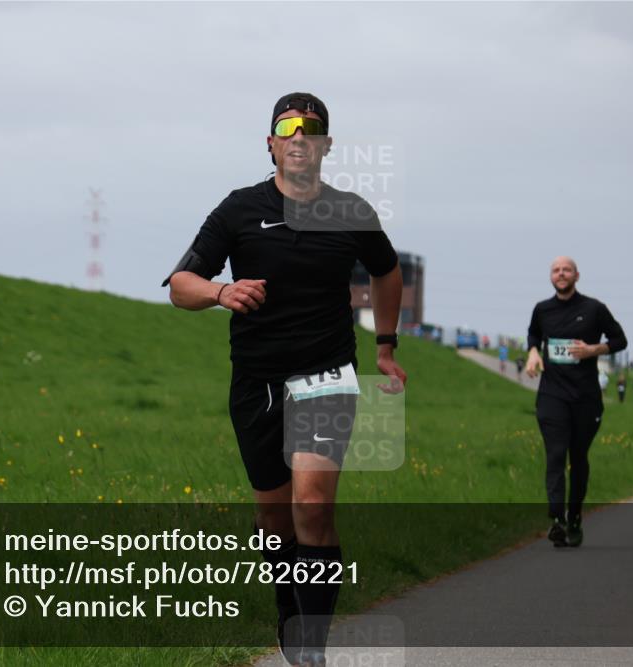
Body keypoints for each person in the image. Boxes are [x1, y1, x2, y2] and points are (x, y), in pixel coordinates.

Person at [164, 93, 407, 667]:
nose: (299, 137)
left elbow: (387, 269)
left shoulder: (352, 211)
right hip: (256, 381)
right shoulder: (239, 208)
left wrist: (387, 345)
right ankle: (288, 612)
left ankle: (310, 647)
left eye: (311, 129)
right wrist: (222, 291)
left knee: (314, 504)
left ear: (325, 144)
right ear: (270, 143)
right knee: (274, 516)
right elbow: (180, 284)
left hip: (327, 375)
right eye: (287, 128)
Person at [525, 257, 627, 547]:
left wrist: (594, 349)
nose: (561, 274)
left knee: (578, 458)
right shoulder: (542, 309)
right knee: (556, 454)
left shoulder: (594, 309)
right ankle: (557, 519)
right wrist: (533, 351)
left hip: (585, 398)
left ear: (576, 275)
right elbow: (533, 332)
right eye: (556, 270)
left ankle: (575, 517)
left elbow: (620, 340)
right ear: (551, 276)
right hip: (552, 395)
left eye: (566, 270)